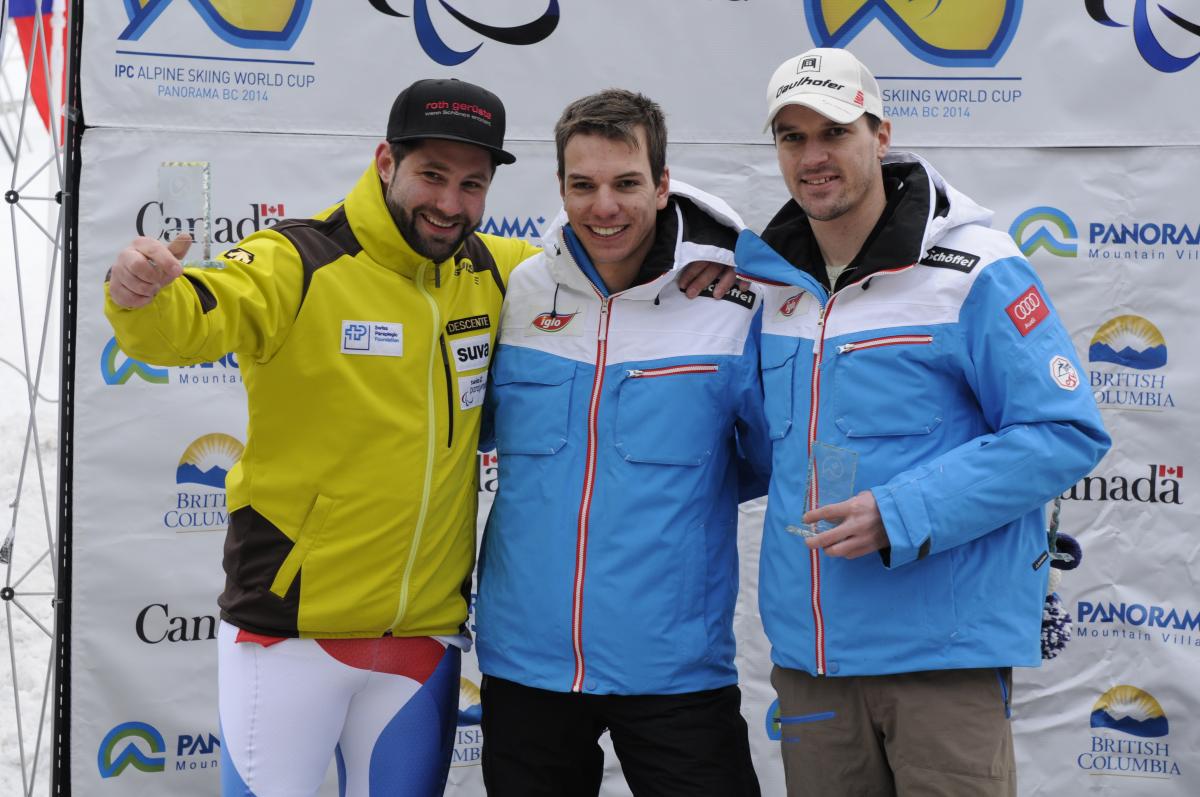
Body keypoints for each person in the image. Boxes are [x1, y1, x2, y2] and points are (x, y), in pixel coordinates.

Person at [104, 78, 540, 797]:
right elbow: (197, 315)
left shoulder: (494, 271)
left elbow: (597, 267)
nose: (450, 203)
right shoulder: (298, 260)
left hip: (423, 639)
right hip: (288, 635)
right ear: (384, 162)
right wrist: (139, 294)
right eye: (432, 174)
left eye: (472, 184)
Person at [735, 48, 1111, 796]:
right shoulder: (769, 285)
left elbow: (1064, 430)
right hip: (813, 663)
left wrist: (898, 512)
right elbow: (746, 447)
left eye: (834, 132)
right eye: (791, 136)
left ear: (879, 135)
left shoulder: (976, 268)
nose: (813, 156)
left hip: (941, 663)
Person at [474, 89, 770, 797]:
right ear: (560, 188)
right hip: (526, 667)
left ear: (664, 185)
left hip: (674, 667)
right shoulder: (516, 291)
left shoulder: (729, 307)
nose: (604, 206)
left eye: (627, 183)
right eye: (584, 185)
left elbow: (763, 459)